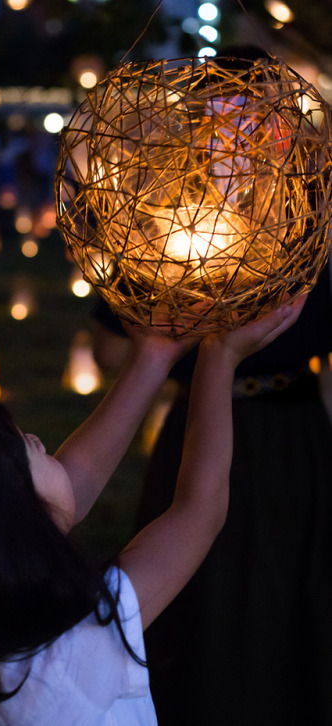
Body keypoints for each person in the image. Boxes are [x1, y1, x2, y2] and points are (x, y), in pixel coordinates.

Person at [0, 301, 304, 726]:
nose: (34, 439)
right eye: (22, 450)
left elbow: (67, 489)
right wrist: (220, 357)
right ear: (14, 531)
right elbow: (197, 512)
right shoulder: (70, 654)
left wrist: (153, 355)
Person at [93, 262, 332, 726]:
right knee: (202, 589)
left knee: (286, 587)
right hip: (219, 429)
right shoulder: (162, 237)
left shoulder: (307, 231)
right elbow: (107, 349)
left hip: (289, 438)